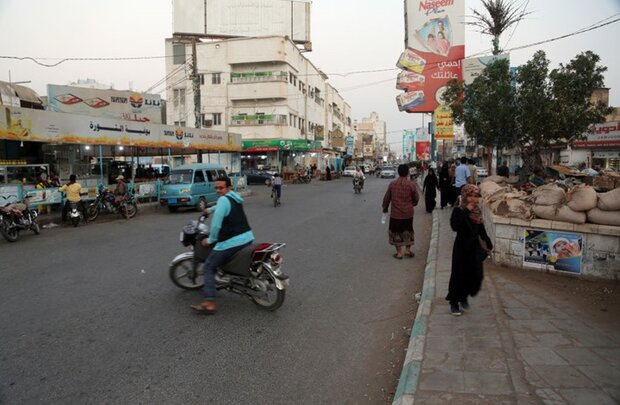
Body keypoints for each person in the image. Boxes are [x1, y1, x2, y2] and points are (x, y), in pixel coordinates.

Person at [191, 176, 255, 315]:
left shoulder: (223, 200)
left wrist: (210, 240)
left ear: (228, 187)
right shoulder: (234, 197)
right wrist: (209, 210)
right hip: (247, 237)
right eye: (216, 188)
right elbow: (223, 205)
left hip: (232, 241)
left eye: (221, 188)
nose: (218, 190)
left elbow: (216, 225)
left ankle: (209, 303)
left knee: (208, 266)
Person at [446, 184, 493, 316]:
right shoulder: (458, 210)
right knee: (458, 275)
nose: (473, 199)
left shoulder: (477, 211)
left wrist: (488, 240)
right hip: (461, 248)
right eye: (470, 196)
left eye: (476, 196)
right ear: (465, 196)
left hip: (474, 248)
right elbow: (456, 227)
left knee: (476, 275)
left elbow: (480, 228)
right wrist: (466, 210)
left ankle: (464, 296)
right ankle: (454, 302)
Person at [382, 164, 420, 259]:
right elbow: (416, 198)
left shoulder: (392, 184)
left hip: (396, 214)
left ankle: (399, 253)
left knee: (396, 232)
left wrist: (385, 208)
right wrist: (413, 204)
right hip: (408, 213)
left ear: (398, 172)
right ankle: (407, 250)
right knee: (408, 230)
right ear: (407, 172)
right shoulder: (411, 184)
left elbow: (387, 198)